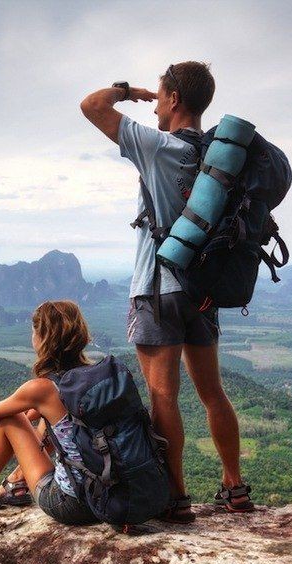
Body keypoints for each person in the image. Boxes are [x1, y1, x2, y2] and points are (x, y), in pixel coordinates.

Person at [79, 62, 253, 522]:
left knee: (163, 397)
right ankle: (235, 487)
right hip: (203, 290)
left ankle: (176, 497)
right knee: (212, 393)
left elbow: (91, 106)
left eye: (159, 96)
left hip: (157, 289)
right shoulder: (218, 158)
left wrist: (127, 90)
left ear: (174, 100)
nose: (153, 104)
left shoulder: (158, 147)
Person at [0, 301, 100, 524]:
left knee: (10, 417)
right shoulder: (94, 376)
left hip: (74, 504)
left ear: (42, 338)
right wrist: (37, 413)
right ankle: (16, 481)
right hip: (109, 496)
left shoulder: (42, 389)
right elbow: (52, 412)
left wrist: (25, 418)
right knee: (53, 422)